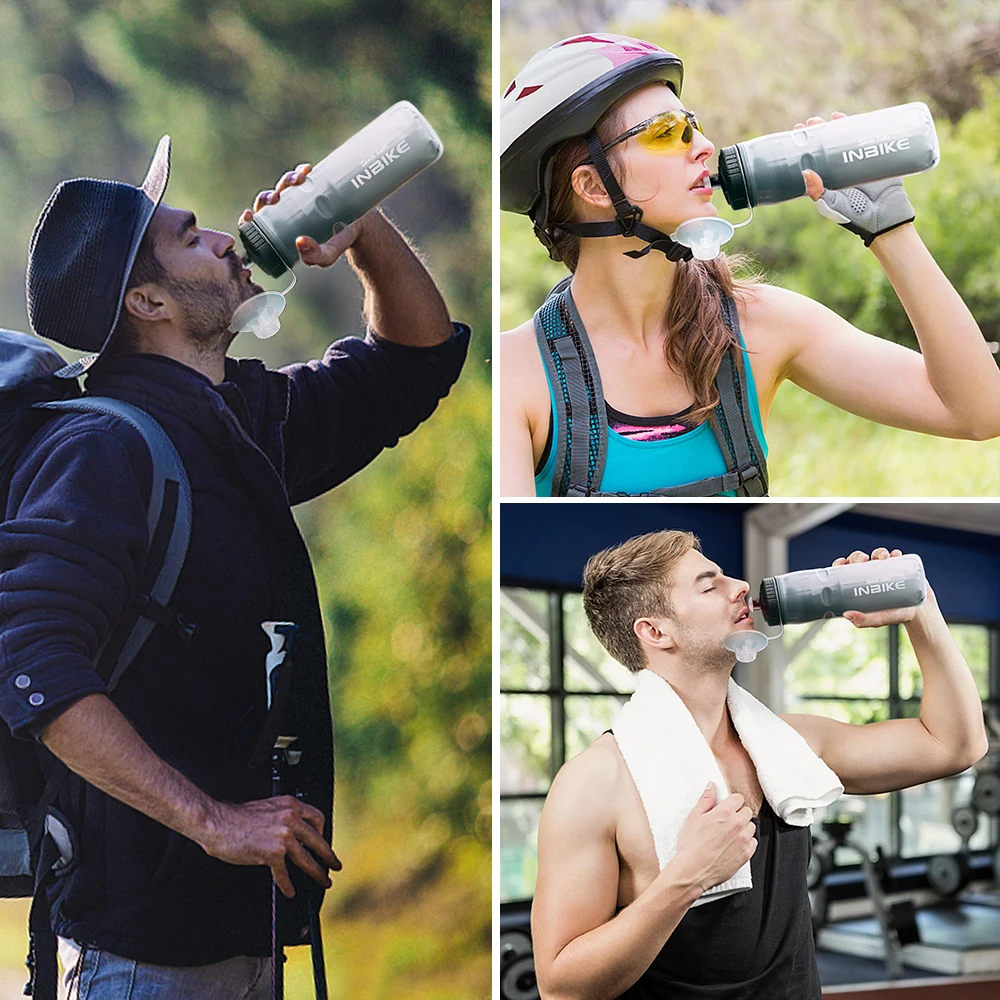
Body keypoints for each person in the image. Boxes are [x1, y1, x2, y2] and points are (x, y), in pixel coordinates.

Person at [0, 135, 468, 998]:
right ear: (147, 300)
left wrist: (362, 230)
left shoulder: (236, 417)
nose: (224, 239)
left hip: (242, 938)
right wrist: (210, 820)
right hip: (141, 959)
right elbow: (30, 663)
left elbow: (415, 364)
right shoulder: (100, 450)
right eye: (189, 237)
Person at [497, 34, 1000, 497]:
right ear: (592, 186)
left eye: (691, 123)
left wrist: (890, 228)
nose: (704, 145)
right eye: (666, 132)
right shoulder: (520, 376)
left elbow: (976, 411)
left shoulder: (759, 326)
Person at [531, 530, 989, 999]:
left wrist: (921, 611)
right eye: (709, 585)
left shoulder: (787, 743)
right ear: (654, 631)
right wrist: (685, 879)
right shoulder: (595, 782)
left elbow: (954, 745)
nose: (740, 586)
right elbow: (561, 986)